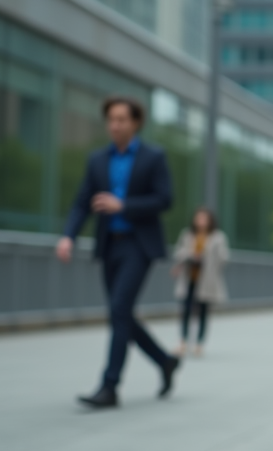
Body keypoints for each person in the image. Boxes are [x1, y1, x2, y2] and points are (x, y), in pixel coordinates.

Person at [56, 95, 180, 409]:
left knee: (120, 308)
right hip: (109, 243)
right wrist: (68, 236)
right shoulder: (97, 160)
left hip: (139, 244)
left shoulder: (153, 157)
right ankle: (164, 361)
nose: (115, 125)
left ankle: (109, 386)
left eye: (122, 119)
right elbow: (82, 202)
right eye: (111, 119)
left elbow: (164, 199)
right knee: (120, 313)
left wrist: (123, 205)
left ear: (135, 122)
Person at [171, 207, 228, 358]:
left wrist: (207, 258)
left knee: (203, 311)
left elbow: (224, 257)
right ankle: (183, 341)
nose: (201, 221)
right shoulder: (187, 234)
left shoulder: (218, 237)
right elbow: (178, 252)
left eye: (204, 219)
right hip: (189, 277)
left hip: (207, 279)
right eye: (198, 218)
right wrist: (190, 255)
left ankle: (199, 343)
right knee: (185, 310)